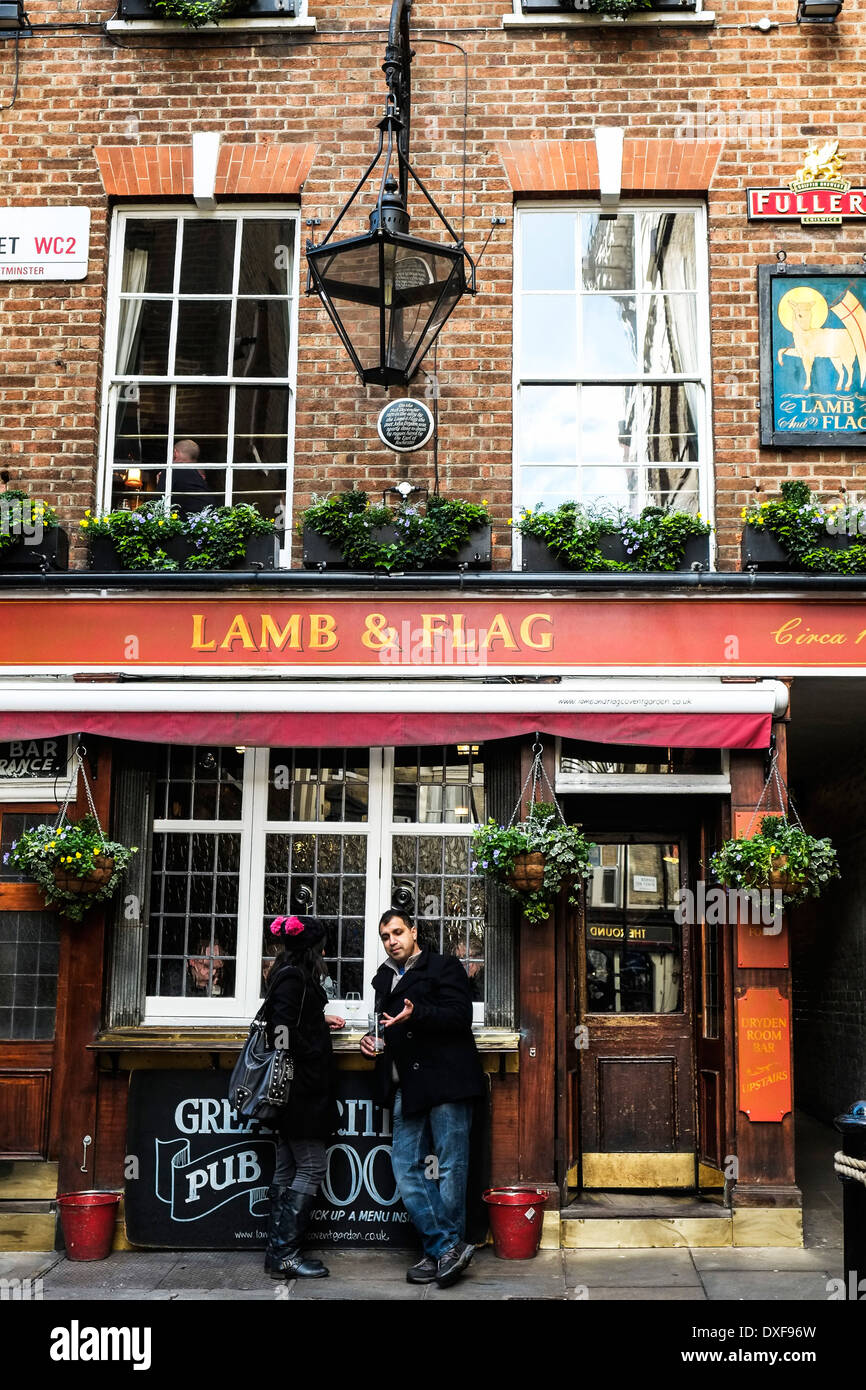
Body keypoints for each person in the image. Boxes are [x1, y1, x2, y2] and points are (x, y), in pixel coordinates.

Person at [360, 909, 485, 1289]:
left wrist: (418, 1015)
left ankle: (440, 1255)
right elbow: (385, 1027)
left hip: (447, 1081)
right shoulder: (383, 978)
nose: (392, 941)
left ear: (414, 932)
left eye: (398, 932)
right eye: (385, 936)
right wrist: (372, 1042)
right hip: (408, 1085)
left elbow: (459, 1017)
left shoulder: (445, 966)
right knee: (405, 1166)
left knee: (450, 1169)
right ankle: (447, 1246)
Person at [262, 915, 344, 1280]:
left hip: (295, 1090)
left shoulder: (290, 976)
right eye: (322, 946)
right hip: (300, 1091)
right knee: (311, 1166)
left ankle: (276, 1253)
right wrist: (312, 1047)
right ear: (313, 949)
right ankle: (287, 1254)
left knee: (286, 1166)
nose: (325, 951)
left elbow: (290, 1020)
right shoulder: (294, 978)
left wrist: (317, 1021)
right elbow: (279, 1032)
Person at [156, 438, 211, 515]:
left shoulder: (171, 470)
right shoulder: (199, 476)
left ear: (175, 453)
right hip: (207, 520)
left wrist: (160, 483)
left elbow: (159, 504)